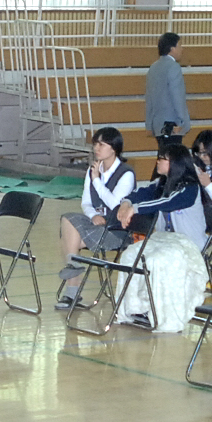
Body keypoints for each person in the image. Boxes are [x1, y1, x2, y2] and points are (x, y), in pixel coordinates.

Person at [112, 144, 209, 331]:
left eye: (163, 158)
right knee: (130, 255)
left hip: (187, 245)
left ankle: (162, 314)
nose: (158, 161)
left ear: (176, 163)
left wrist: (135, 209)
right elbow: (139, 193)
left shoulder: (191, 188)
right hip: (164, 240)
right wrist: (126, 203)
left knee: (158, 260)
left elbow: (168, 202)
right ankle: (136, 308)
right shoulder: (161, 184)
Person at [56, 127, 135, 309]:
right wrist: (93, 215)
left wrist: (97, 180)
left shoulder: (126, 174)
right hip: (97, 224)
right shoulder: (92, 170)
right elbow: (85, 202)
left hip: (116, 229)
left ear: (113, 148)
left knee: (70, 241)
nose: (96, 148)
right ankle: (72, 267)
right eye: (95, 144)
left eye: (101, 145)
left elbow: (115, 205)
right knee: (68, 219)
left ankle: (72, 292)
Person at [144, 31, 190, 148]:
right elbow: (177, 97)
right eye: (179, 45)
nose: (182, 49)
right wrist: (181, 121)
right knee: (173, 156)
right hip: (172, 124)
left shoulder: (153, 68)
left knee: (163, 155)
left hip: (158, 124)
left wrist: (149, 124)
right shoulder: (174, 67)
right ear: (172, 49)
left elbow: (149, 98)